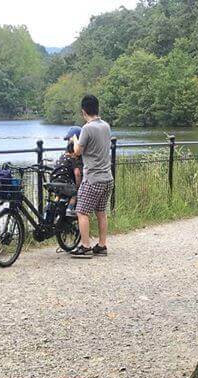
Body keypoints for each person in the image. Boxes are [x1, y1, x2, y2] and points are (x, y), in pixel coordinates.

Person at [71, 95, 113, 258]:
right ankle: (102, 245)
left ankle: (85, 246)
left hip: (93, 178)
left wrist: (75, 138)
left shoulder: (87, 128)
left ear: (83, 111)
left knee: (82, 212)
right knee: (101, 212)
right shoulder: (106, 126)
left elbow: (77, 152)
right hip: (107, 177)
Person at [51, 126, 83, 216]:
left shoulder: (62, 156)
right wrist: (78, 186)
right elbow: (77, 173)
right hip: (65, 183)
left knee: (59, 194)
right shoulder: (73, 159)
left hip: (53, 181)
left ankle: (53, 209)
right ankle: (69, 209)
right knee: (75, 193)